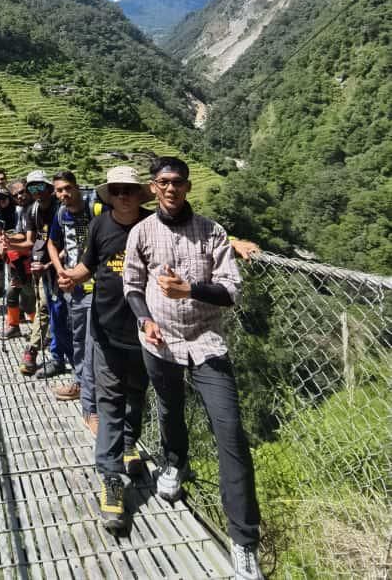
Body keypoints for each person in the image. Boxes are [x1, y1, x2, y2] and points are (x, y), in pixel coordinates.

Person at [123, 156, 264, 580]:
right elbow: (132, 286)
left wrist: (189, 289)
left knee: (231, 433)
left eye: (178, 182)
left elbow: (231, 290)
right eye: (164, 182)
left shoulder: (213, 232)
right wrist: (145, 319)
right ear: (153, 187)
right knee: (169, 409)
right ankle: (175, 461)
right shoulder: (141, 233)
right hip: (160, 342)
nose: (171, 189)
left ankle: (243, 542)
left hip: (206, 344)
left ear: (187, 187)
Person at [58, 166, 152, 534]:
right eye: (117, 190)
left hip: (146, 333)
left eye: (129, 189)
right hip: (107, 328)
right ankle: (111, 479)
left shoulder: (154, 225)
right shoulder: (99, 226)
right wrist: (71, 277)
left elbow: (195, 237)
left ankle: (130, 445)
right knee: (110, 402)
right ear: (109, 194)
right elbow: (87, 264)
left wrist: (232, 243)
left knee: (138, 394)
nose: (123, 196)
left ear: (138, 194)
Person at [47, 172, 97, 430]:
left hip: (99, 284)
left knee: (93, 340)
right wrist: (60, 271)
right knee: (78, 336)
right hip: (73, 287)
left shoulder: (94, 206)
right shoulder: (60, 214)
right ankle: (81, 384)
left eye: (67, 189)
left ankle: (93, 399)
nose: (64, 194)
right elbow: (51, 244)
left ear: (77, 187)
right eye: (59, 190)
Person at [19, 170, 59, 376]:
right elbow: (30, 241)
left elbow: (71, 243)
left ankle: (35, 351)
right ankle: (40, 350)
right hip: (41, 267)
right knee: (43, 306)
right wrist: (9, 244)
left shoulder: (60, 210)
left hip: (62, 268)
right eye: (32, 188)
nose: (37, 191)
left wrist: (50, 266)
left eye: (40, 187)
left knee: (49, 308)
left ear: (50, 188)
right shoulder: (32, 210)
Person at [0, 179, 36, 338]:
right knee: (12, 294)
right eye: (16, 195)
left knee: (30, 300)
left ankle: (41, 332)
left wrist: (10, 245)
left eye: (22, 191)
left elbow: (31, 240)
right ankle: (14, 326)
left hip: (34, 261)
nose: (20, 196)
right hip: (24, 259)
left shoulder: (36, 208)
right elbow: (23, 234)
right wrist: (8, 239)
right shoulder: (23, 210)